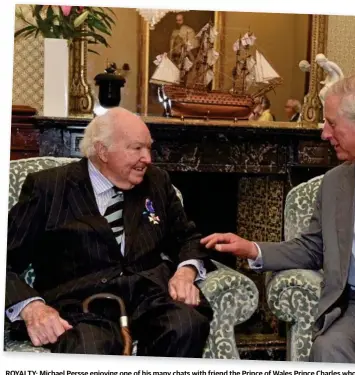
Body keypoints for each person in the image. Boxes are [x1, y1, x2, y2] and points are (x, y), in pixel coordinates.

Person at [201, 75, 355, 365]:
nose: (324, 134)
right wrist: (253, 249)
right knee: (329, 348)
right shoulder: (334, 182)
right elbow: (313, 246)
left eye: (332, 123)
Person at [6, 107, 213, 357]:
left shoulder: (157, 181)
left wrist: (185, 272)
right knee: (91, 345)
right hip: (81, 305)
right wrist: (32, 307)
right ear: (103, 150)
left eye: (149, 148)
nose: (147, 158)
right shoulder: (49, 188)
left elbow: (188, 237)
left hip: (150, 297)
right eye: (137, 148)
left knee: (186, 324)